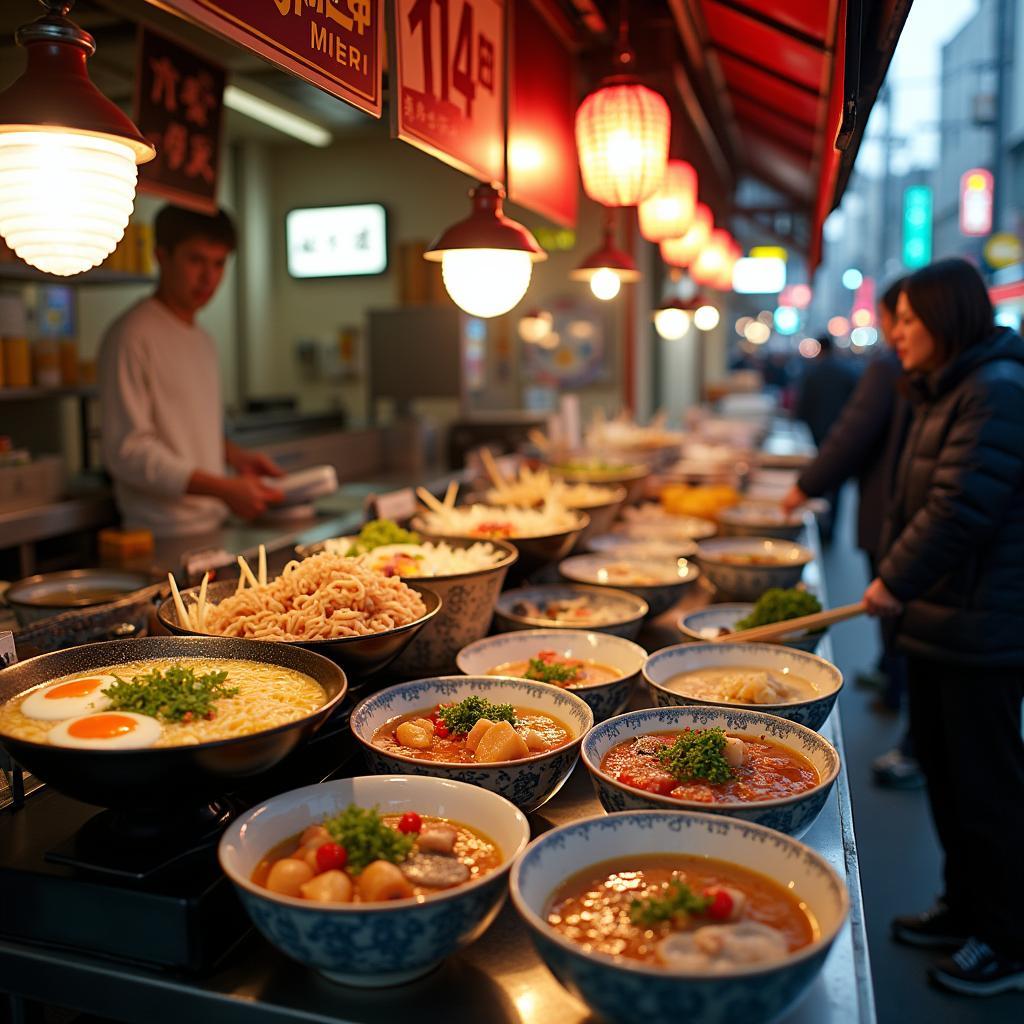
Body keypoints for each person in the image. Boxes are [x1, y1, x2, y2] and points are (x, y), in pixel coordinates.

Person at [863, 258, 1024, 995]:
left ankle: (1008, 938)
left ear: (946, 320)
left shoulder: (995, 391)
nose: (895, 331)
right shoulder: (946, 387)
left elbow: (962, 508)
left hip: (983, 628)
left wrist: (893, 577)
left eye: (907, 319)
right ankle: (966, 908)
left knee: (987, 786)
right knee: (950, 781)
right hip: (940, 622)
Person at [782, 279, 921, 789]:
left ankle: (897, 693)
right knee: (902, 623)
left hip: (898, 520)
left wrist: (805, 485)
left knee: (900, 617)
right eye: (897, 319)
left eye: (906, 319)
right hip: (899, 515)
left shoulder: (890, 367)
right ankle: (893, 680)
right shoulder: (902, 369)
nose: (897, 330)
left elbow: (853, 435)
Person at [99, 205, 283, 537]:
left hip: (213, 525)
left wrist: (234, 456)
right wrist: (224, 488)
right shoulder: (132, 334)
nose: (208, 277)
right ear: (161, 256)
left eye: (218, 263)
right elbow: (129, 451)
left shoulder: (202, 339)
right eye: (195, 260)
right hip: (161, 532)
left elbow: (186, 424)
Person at [792, 333, 859, 540]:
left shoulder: (812, 372)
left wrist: (800, 425)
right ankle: (829, 530)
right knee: (835, 482)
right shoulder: (847, 372)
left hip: (815, 433)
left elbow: (803, 405)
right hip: (841, 433)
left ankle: (816, 522)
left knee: (816, 475)